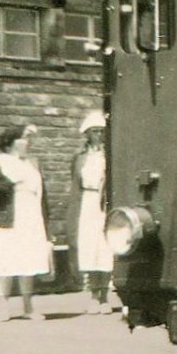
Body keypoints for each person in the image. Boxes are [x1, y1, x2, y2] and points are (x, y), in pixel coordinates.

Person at [0, 124, 52, 321]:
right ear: (12, 141)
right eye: (25, 137)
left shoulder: (34, 163)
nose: (29, 142)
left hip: (31, 217)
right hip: (8, 219)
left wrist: (46, 224)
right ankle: (4, 307)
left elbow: (42, 195)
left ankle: (28, 307)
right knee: (5, 262)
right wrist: (13, 181)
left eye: (30, 138)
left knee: (28, 262)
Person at [66, 111, 114, 314]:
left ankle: (105, 297)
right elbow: (75, 183)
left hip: (104, 203)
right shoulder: (79, 157)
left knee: (104, 248)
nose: (99, 135)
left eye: (102, 131)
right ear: (87, 134)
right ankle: (94, 295)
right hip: (86, 203)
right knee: (90, 248)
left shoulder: (109, 155)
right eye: (94, 131)